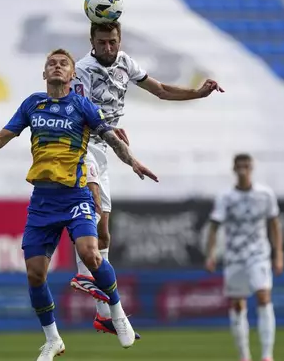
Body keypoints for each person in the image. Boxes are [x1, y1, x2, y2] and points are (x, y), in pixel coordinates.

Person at [0, 48, 158, 360]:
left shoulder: (82, 105)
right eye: (51, 64)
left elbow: (110, 138)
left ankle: (117, 313)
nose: (57, 67)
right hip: (42, 201)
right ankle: (53, 339)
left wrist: (133, 162)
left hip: (75, 195)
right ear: (45, 74)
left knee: (90, 254)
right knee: (35, 275)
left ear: (72, 75)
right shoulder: (32, 104)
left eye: (63, 64)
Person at [70, 20, 224, 334]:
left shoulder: (126, 63)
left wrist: (197, 93)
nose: (108, 48)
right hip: (82, 144)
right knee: (94, 209)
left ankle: (103, 315)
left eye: (113, 41)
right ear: (92, 41)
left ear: (119, 38)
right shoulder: (83, 70)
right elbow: (78, 110)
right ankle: (84, 274)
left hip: (105, 148)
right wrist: (109, 129)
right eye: (102, 42)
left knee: (105, 236)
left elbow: (162, 90)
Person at [204, 154, 282, 361]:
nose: (243, 169)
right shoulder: (225, 197)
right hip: (235, 256)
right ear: (234, 169)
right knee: (238, 304)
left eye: (246, 166)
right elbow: (214, 226)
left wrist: (279, 254)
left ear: (252, 168)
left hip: (259, 255)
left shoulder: (265, 194)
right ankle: (244, 355)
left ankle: (267, 355)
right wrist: (211, 254)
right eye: (239, 166)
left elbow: (274, 224)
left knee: (264, 297)